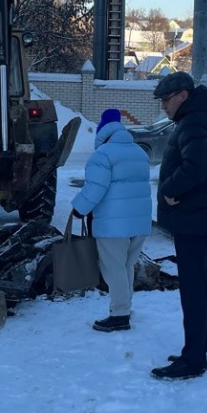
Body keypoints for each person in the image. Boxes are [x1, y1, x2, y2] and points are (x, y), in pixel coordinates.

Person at [150, 71, 207, 381]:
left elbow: (196, 167)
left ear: (183, 95)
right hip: (197, 218)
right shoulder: (200, 118)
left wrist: (171, 189)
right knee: (194, 290)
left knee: (193, 292)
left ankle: (194, 359)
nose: (164, 107)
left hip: (194, 220)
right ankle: (193, 352)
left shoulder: (195, 121)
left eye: (166, 100)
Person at [71, 108, 152, 332]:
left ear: (101, 133)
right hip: (139, 223)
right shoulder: (138, 152)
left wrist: (79, 208)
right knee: (127, 266)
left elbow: (95, 188)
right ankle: (125, 307)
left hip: (113, 225)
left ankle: (119, 315)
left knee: (113, 268)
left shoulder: (103, 155)